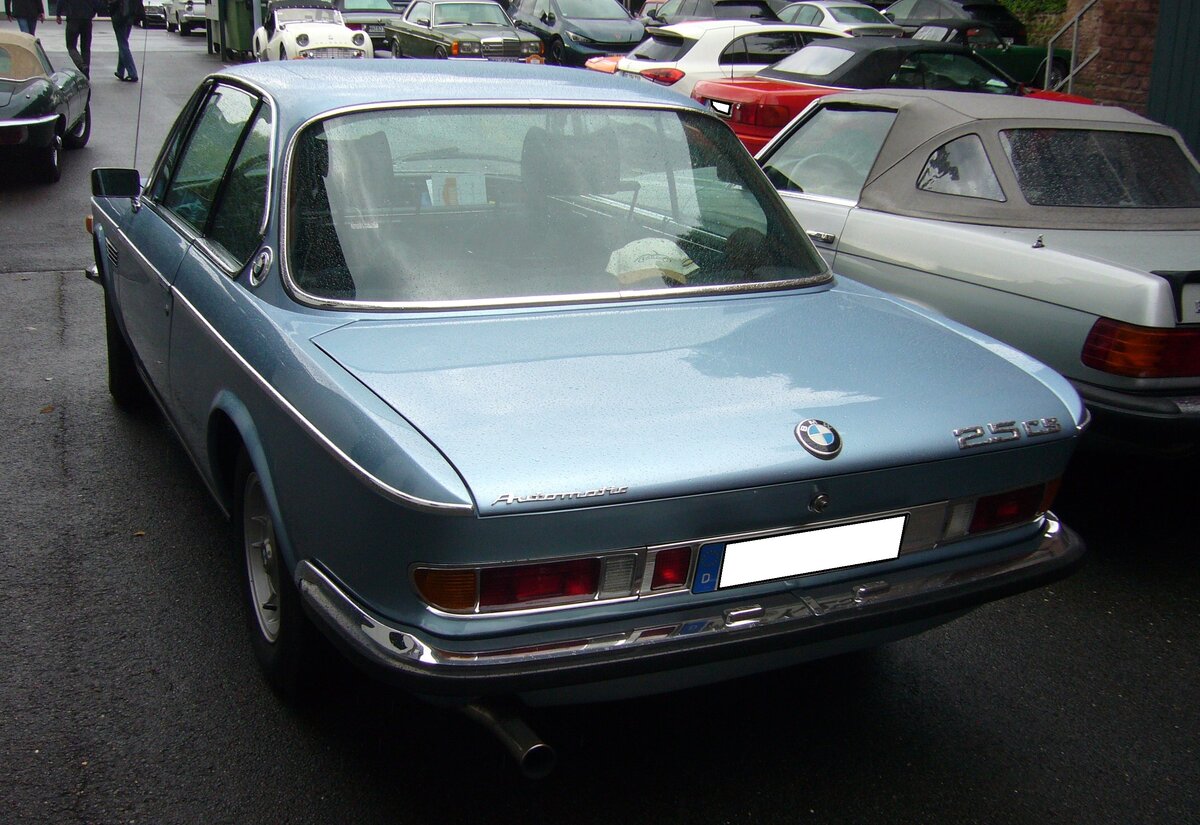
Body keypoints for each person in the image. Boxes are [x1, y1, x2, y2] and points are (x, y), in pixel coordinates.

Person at [55, 0, 96, 77]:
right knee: (86, 48)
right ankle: (86, 72)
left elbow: (61, 1)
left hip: (73, 18)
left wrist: (58, 14)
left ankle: (82, 66)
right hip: (87, 19)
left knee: (71, 46)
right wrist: (93, 12)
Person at [109, 0, 143, 83]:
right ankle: (120, 71)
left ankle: (132, 73)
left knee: (122, 44)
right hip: (130, 15)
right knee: (124, 43)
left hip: (119, 14)